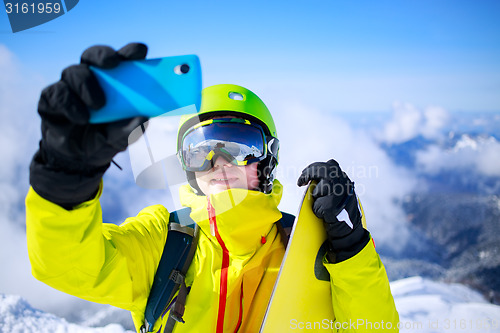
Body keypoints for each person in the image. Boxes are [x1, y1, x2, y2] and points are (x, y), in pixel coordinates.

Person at [25, 43, 399, 333]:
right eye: (200, 151)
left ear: (267, 161)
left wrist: (352, 248)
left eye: (239, 147)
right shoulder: (166, 241)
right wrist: (65, 178)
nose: (218, 164)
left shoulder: (303, 246)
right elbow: (66, 266)